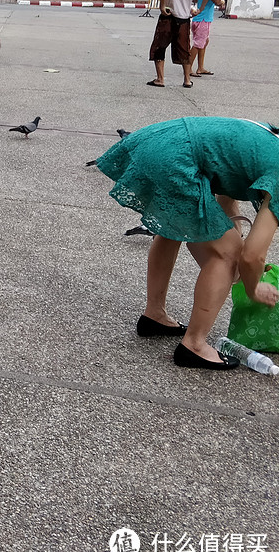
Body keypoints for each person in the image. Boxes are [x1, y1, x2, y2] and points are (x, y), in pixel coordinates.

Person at [96, 117, 279, 370]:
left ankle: (154, 315)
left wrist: (233, 232)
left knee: (172, 229)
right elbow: (251, 257)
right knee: (228, 254)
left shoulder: (270, 140)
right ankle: (194, 345)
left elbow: (227, 181)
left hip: (162, 140)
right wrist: (254, 288)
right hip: (176, 158)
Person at [148, 0, 210, 89]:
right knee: (184, 48)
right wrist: (200, 8)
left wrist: (162, 6)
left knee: (159, 46)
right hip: (184, 18)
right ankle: (187, 79)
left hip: (169, 15)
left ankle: (160, 79)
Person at [189, 0, 225, 78]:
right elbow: (217, 2)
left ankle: (200, 68)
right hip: (203, 19)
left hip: (199, 19)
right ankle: (188, 68)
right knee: (198, 44)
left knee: (204, 42)